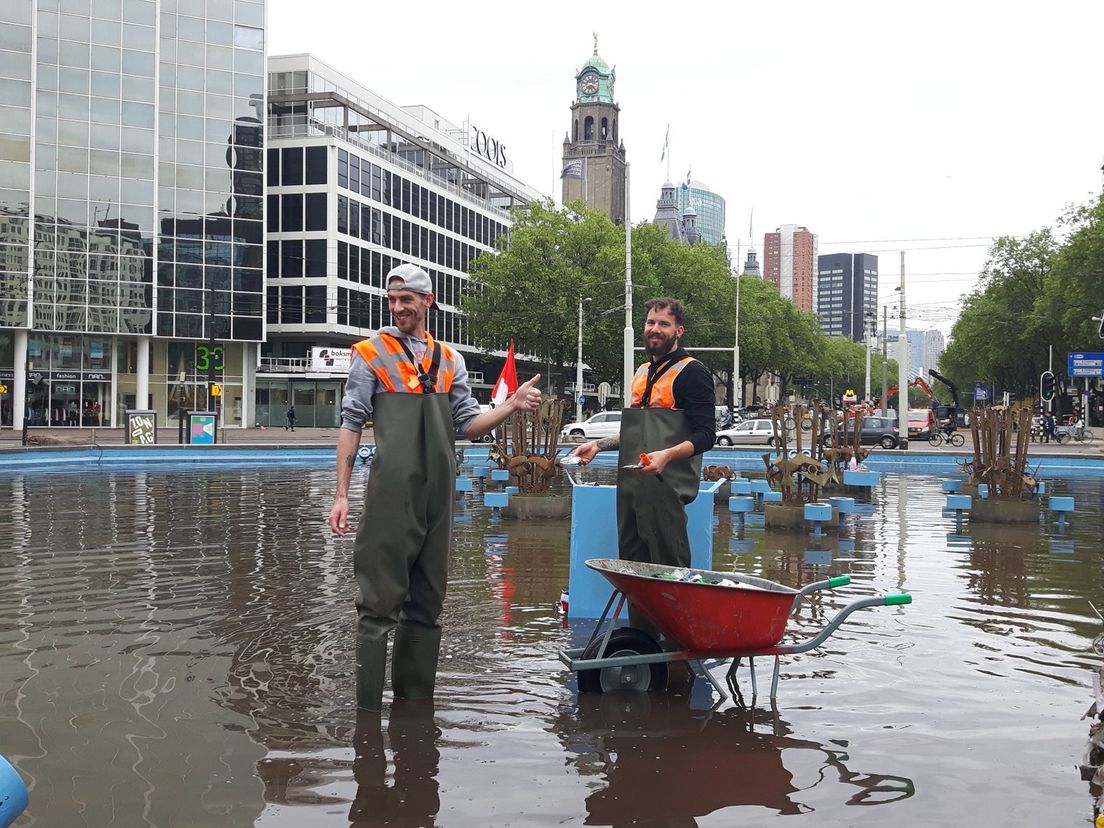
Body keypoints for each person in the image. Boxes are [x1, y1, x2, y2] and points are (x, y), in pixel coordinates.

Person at [328, 263, 542, 714]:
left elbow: (468, 426)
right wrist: (342, 494)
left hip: (438, 497)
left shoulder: (450, 360)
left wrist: (512, 404)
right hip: (391, 494)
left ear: (429, 301)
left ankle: (414, 712)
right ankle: (367, 718)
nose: (398, 307)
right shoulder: (371, 353)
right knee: (377, 605)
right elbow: (351, 424)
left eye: (406, 298)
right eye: (392, 299)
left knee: (427, 603)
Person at [570, 297, 716, 632]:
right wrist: (599, 445)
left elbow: (707, 434)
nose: (655, 329)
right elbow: (636, 433)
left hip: (666, 489)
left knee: (668, 568)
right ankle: (643, 642)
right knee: (633, 569)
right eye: (651, 322)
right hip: (632, 488)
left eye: (663, 324)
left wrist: (666, 456)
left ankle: (674, 644)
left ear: (678, 331)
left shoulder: (692, 372)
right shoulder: (641, 372)